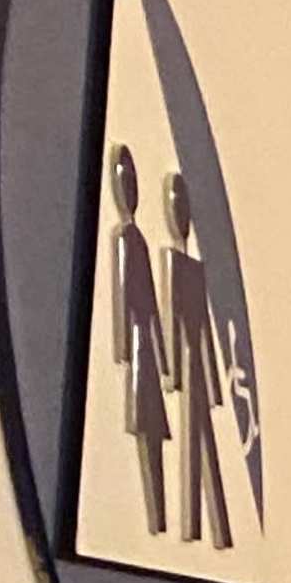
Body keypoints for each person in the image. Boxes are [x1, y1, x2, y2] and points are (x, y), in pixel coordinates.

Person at [166, 163, 232, 556]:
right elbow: (171, 321)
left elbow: (204, 328)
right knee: (193, 446)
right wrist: (172, 372)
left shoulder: (192, 268)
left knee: (204, 446)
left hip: (198, 377)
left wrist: (214, 383)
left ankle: (213, 524)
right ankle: (192, 522)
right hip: (189, 374)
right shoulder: (174, 266)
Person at [106, 140, 167, 538]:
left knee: (157, 428)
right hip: (139, 352)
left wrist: (164, 360)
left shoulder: (141, 242)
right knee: (147, 427)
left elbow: (151, 307)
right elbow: (128, 297)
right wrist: (128, 351)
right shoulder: (126, 239)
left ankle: (160, 515)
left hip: (148, 348)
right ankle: (156, 514)